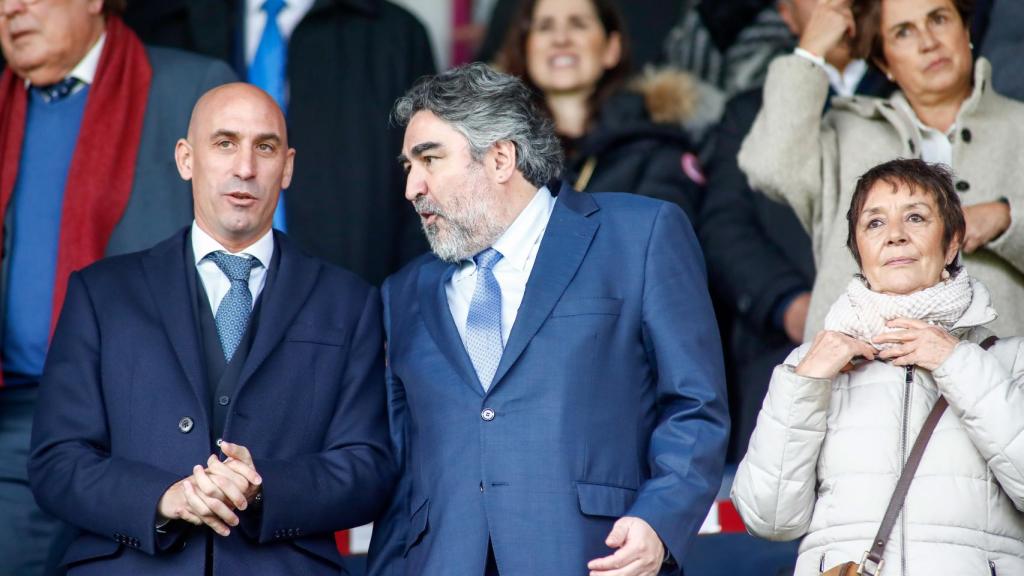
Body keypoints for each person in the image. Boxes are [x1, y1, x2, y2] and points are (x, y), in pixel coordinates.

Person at [365, 63, 728, 576]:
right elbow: (402, 472)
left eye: (429, 158)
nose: (412, 187)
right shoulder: (402, 293)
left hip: (595, 555)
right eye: (408, 166)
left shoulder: (639, 235)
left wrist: (660, 520)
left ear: (499, 158)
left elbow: (695, 405)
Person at [28, 83, 393, 575]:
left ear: (286, 167)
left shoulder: (349, 301)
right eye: (224, 143)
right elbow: (57, 462)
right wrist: (164, 499)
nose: (245, 167)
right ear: (186, 158)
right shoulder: (102, 294)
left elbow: (369, 469)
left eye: (264, 147)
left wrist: (265, 489)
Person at [0, 1, 234, 573]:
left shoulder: (191, 88)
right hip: (14, 416)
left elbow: (240, 253)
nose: (11, 8)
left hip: (148, 425)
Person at [732, 158, 1024, 574]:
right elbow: (770, 518)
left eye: (916, 217)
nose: (895, 237)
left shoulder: (1010, 360)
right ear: (858, 248)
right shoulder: (812, 367)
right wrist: (807, 384)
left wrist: (954, 361)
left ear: (953, 241)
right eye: (874, 224)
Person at [739, 0, 1024, 341]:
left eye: (939, 19)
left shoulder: (1019, 127)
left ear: (965, 29)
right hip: (857, 377)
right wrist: (810, 51)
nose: (928, 42)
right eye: (903, 32)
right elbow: (770, 167)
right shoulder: (847, 131)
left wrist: (1009, 218)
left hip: (1000, 377)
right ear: (883, 61)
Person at [123, 0, 437, 285]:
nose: (246, 168)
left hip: (349, 311)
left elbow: (425, 189)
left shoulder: (394, 35)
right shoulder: (162, 24)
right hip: (184, 304)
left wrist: (399, 316)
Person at [700, 0, 893, 462]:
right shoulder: (750, 111)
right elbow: (724, 226)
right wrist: (787, 303)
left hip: (897, 349)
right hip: (782, 348)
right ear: (787, 16)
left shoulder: (908, 98)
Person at [496, 0, 705, 220]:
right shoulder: (492, 149)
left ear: (612, 49)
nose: (561, 39)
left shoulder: (657, 146)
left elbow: (658, 244)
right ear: (525, 49)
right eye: (545, 27)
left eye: (578, 24)